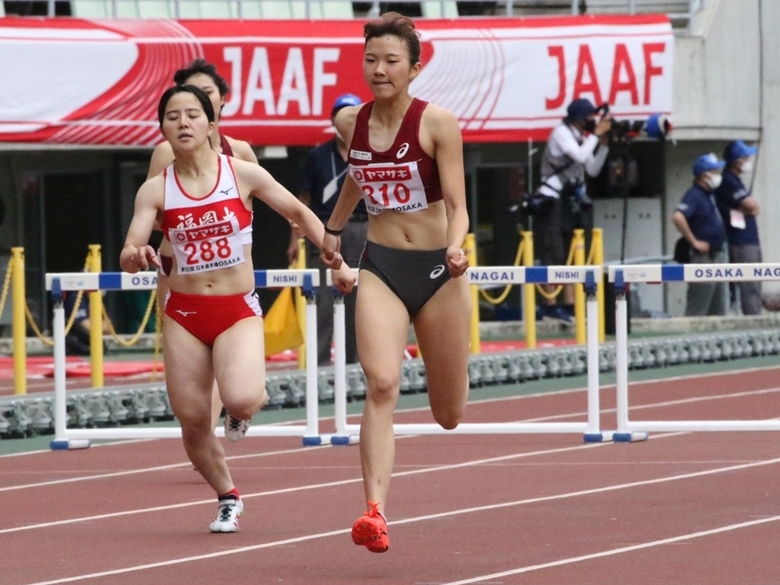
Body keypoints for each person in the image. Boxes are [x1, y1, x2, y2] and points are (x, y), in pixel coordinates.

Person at [120, 84, 355, 533]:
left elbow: (299, 214)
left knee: (243, 399)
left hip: (236, 308)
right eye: (173, 116)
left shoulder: (242, 174)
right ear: (163, 128)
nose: (183, 122)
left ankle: (238, 412)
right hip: (184, 313)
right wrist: (136, 256)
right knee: (191, 422)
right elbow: (132, 247)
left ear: (211, 125)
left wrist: (338, 262)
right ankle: (228, 495)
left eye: (193, 114)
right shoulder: (155, 190)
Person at [319, 12, 471, 553]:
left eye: (390, 62)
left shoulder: (438, 124)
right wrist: (334, 228)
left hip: (437, 270)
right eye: (370, 60)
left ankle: (441, 391)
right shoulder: (351, 123)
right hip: (380, 262)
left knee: (448, 414)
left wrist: (456, 246)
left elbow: (457, 204)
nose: (378, 70)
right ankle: (374, 512)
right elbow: (360, 177)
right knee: (381, 383)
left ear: (414, 68)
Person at [147, 59, 260, 430]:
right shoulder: (166, 154)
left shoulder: (240, 152)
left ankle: (240, 400)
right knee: (193, 359)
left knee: (232, 359)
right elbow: (155, 211)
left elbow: (248, 217)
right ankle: (203, 434)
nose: (193, 109)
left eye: (206, 94)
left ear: (221, 101)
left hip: (230, 271)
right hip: (179, 267)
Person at [287, 93, 367, 366]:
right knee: (321, 302)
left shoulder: (372, 154)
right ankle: (318, 368)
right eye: (341, 115)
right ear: (334, 121)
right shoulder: (317, 156)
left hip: (362, 229)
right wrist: (293, 241)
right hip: (322, 234)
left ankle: (355, 366)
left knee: (359, 304)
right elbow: (303, 201)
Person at [533, 97, 611, 322]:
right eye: (589, 118)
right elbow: (579, 155)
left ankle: (569, 305)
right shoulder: (561, 133)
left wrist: (603, 145)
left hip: (570, 200)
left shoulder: (582, 138)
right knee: (552, 252)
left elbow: (593, 169)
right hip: (552, 198)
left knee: (571, 252)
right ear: (579, 118)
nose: (593, 121)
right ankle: (550, 306)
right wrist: (595, 136)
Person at [671, 152, 728, 317]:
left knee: (718, 305)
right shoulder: (694, 195)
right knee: (699, 303)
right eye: (715, 172)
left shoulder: (709, 195)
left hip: (716, 254)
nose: (718, 175)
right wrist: (694, 242)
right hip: (703, 255)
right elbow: (678, 216)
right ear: (705, 175)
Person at [714, 140, 761, 315]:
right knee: (749, 284)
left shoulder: (736, 180)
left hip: (748, 238)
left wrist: (744, 210)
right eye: (745, 157)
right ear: (737, 160)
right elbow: (753, 207)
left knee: (755, 282)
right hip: (740, 240)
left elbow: (753, 209)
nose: (748, 160)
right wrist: (744, 210)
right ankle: (752, 321)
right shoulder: (728, 180)